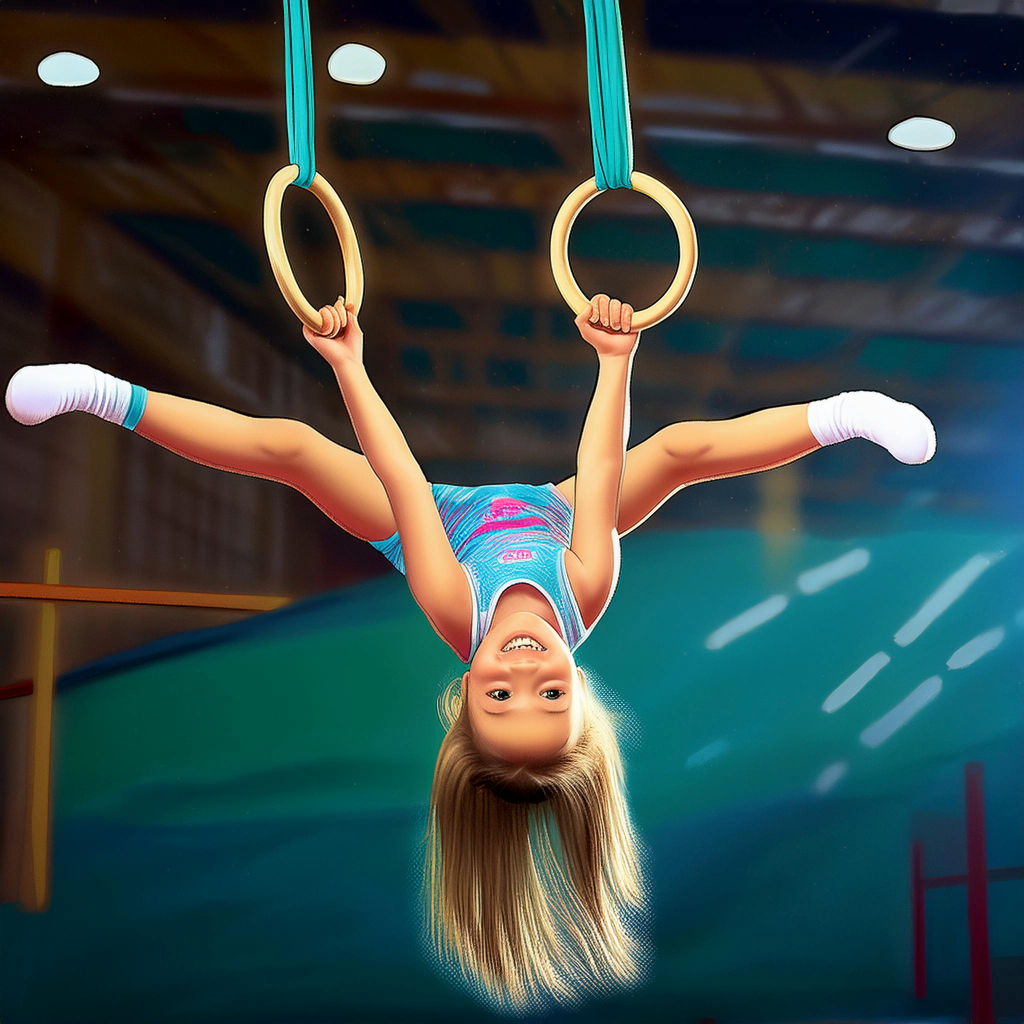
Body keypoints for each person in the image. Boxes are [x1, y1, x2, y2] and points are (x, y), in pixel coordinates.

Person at [5, 295, 935, 1008]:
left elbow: (402, 479)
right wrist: (617, 359)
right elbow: (606, 471)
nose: (526, 672)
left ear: (464, 694)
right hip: (563, 515)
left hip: (443, 529)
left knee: (290, 447)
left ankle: (98, 393)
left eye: (500, 700)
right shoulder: (586, 590)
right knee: (683, 450)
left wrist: (348, 365)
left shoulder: (448, 599)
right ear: (583, 693)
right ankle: (844, 412)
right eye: (551, 698)